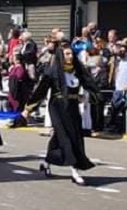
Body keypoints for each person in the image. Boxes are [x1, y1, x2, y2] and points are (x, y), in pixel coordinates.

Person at [22, 42, 100, 185]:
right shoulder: (53, 71)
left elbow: (90, 84)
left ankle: (47, 162)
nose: (70, 57)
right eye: (67, 54)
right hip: (57, 107)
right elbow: (41, 90)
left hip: (72, 107)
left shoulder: (78, 70)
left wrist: (94, 96)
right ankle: (74, 171)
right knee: (66, 137)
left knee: (65, 137)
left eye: (71, 54)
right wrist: (28, 109)